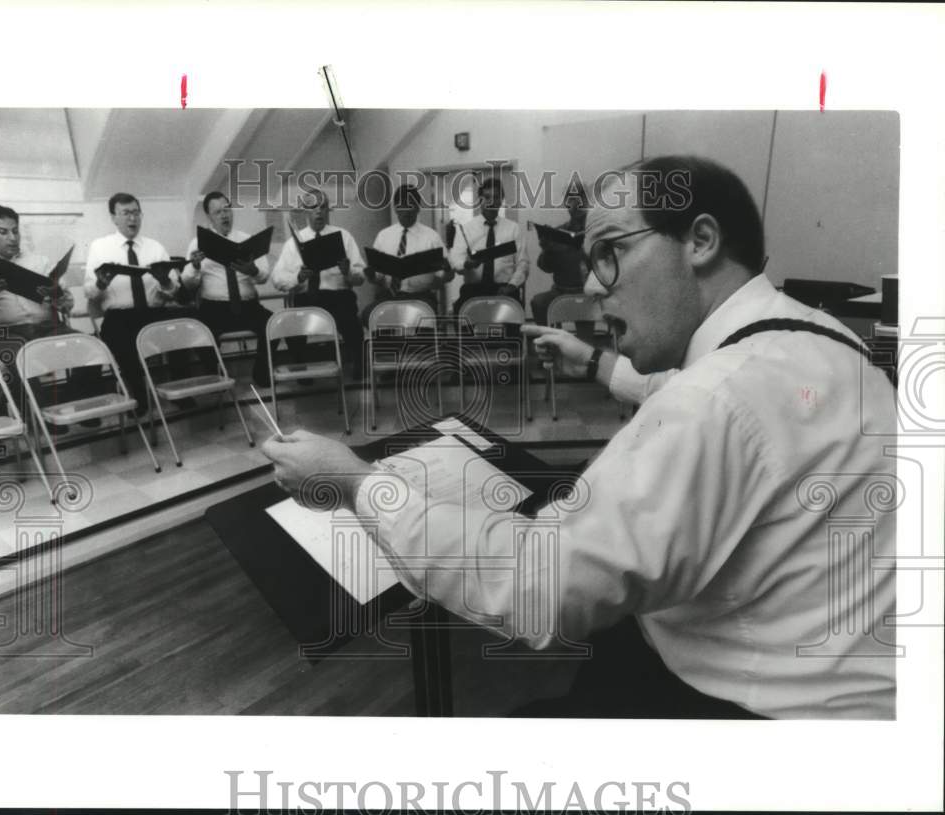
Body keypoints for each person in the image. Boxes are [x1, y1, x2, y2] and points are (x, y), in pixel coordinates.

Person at [262, 155, 897, 720]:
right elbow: (712, 399)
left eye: (610, 251)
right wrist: (595, 362)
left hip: (751, 712)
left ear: (700, 241)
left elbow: (535, 587)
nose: (591, 284)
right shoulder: (815, 336)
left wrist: (357, 483)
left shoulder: (713, 400)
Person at [0, 204, 101, 431]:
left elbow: (67, 304)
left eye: (15, 231)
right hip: (7, 333)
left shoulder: (39, 262)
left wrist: (57, 295)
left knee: (91, 346)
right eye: (3, 232)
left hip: (48, 327)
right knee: (18, 356)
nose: (12, 238)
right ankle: (40, 420)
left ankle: (77, 404)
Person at [83, 192, 186, 414]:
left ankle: (180, 390)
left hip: (154, 313)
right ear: (114, 217)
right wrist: (101, 283)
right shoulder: (100, 247)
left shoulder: (155, 247)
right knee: (119, 339)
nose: (133, 218)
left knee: (180, 329)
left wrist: (165, 281)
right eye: (126, 213)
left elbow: (174, 291)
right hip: (120, 316)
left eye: (136, 213)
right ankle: (139, 396)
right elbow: (89, 292)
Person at [271, 190, 366, 378]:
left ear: (328, 210)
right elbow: (277, 279)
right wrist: (298, 277)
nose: (318, 212)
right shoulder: (293, 243)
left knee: (351, 322)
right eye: (313, 207)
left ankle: (359, 366)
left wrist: (348, 271)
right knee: (293, 325)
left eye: (323, 207)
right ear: (305, 211)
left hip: (338, 297)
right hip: (306, 297)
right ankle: (301, 371)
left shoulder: (344, 236)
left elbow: (361, 276)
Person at [182, 191, 273, 386]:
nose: (224, 215)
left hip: (248, 306)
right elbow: (188, 283)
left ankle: (262, 374)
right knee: (199, 332)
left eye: (227, 210)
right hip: (214, 308)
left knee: (273, 324)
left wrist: (252, 270)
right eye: (218, 212)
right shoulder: (197, 243)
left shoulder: (247, 239)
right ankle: (218, 377)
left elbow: (264, 276)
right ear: (209, 216)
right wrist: (195, 266)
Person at [361, 183, 451, 325]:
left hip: (421, 297)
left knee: (421, 319)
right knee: (368, 315)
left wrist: (447, 269)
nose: (407, 211)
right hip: (389, 296)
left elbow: (446, 276)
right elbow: (377, 278)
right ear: (395, 208)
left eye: (412, 205)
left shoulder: (431, 237)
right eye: (402, 206)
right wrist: (371, 274)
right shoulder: (383, 236)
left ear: (418, 208)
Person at [448, 176, 530, 316]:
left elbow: (523, 264)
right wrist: (467, 264)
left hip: (505, 288)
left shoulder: (513, 229)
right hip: (474, 289)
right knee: (459, 312)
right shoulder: (466, 229)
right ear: (479, 200)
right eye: (486, 197)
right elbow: (455, 260)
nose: (491, 201)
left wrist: (512, 286)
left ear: (501, 200)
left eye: (496, 197)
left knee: (514, 316)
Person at [530, 179, 594, 340]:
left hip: (588, 293)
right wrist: (547, 249)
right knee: (538, 302)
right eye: (571, 199)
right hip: (560, 291)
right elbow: (545, 267)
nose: (576, 203)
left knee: (585, 343)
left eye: (580, 198)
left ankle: (585, 347)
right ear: (566, 203)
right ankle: (550, 343)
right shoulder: (558, 233)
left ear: (587, 201)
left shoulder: (596, 230)